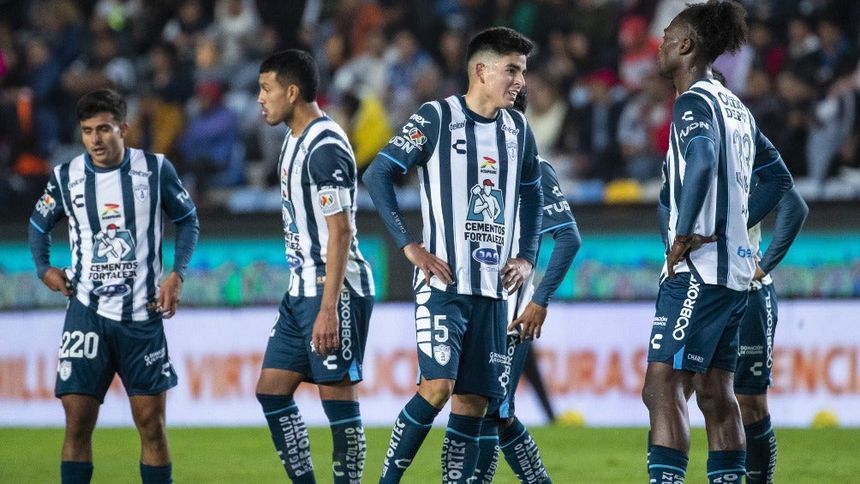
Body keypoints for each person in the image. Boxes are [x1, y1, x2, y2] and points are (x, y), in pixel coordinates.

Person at [362, 26, 544, 483]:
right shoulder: (437, 117)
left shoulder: (518, 129)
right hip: (444, 285)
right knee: (438, 387)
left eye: (522, 71)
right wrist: (409, 245)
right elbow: (379, 173)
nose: (520, 81)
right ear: (481, 71)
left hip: (494, 293)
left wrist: (526, 256)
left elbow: (534, 194)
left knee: (474, 403)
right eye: (512, 70)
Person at [642, 2, 794, 483]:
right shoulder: (736, 108)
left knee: (662, 386)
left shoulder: (693, 102)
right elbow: (780, 180)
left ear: (686, 44)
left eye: (668, 36)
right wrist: (734, 225)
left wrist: (684, 230)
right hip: (735, 277)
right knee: (715, 392)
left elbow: (704, 158)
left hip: (700, 270)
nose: (661, 44)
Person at [28, 88, 199, 484]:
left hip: (141, 316)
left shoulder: (155, 169)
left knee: (151, 425)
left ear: (123, 128)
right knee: (77, 423)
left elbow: (188, 220)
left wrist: (177, 273)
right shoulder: (66, 176)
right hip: (86, 314)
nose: (96, 139)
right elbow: (38, 224)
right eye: (88, 131)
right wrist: (43, 268)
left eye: (104, 129)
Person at [254, 49, 375, 484]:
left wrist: (328, 308)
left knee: (337, 400)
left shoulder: (324, 147)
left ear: (292, 92)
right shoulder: (293, 139)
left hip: (334, 289)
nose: (259, 99)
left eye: (266, 89)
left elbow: (340, 232)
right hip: (300, 287)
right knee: (271, 391)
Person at [472, 89, 582, 484]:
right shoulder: (473, 165)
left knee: (494, 412)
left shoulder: (534, 166)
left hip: (510, 312)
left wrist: (538, 301)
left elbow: (568, 238)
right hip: (474, 305)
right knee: (488, 411)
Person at [734, 187, 807, 482]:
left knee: (747, 402)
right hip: (699, 293)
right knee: (686, 393)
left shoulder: (753, 158)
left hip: (747, 293)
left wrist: (763, 268)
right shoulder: (679, 160)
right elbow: (666, 202)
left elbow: (794, 206)